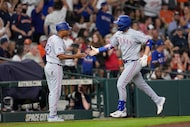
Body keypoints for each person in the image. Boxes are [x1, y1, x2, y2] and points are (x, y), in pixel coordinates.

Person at [89, 15, 166, 118]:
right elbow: (111, 45)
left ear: (125, 24)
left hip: (134, 62)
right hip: (126, 63)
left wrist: (145, 55)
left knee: (120, 84)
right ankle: (158, 99)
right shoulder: (118, 34)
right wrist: (98, 50)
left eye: (119, 23)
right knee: (141, 85)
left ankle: (122, 109)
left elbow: (149, 41)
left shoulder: (134, 33)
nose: (117, 25)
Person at [44, 21, 86, 122]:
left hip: (49, 65)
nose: (69, 31)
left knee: (53, 92)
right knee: (56, 92)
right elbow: (60, 56)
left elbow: (55, 51)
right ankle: (52, 116)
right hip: (55, 66)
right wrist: (76, 56)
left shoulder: (52, 38)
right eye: (67, 29)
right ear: (62, 30)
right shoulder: (58, 40)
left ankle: (52, 114)